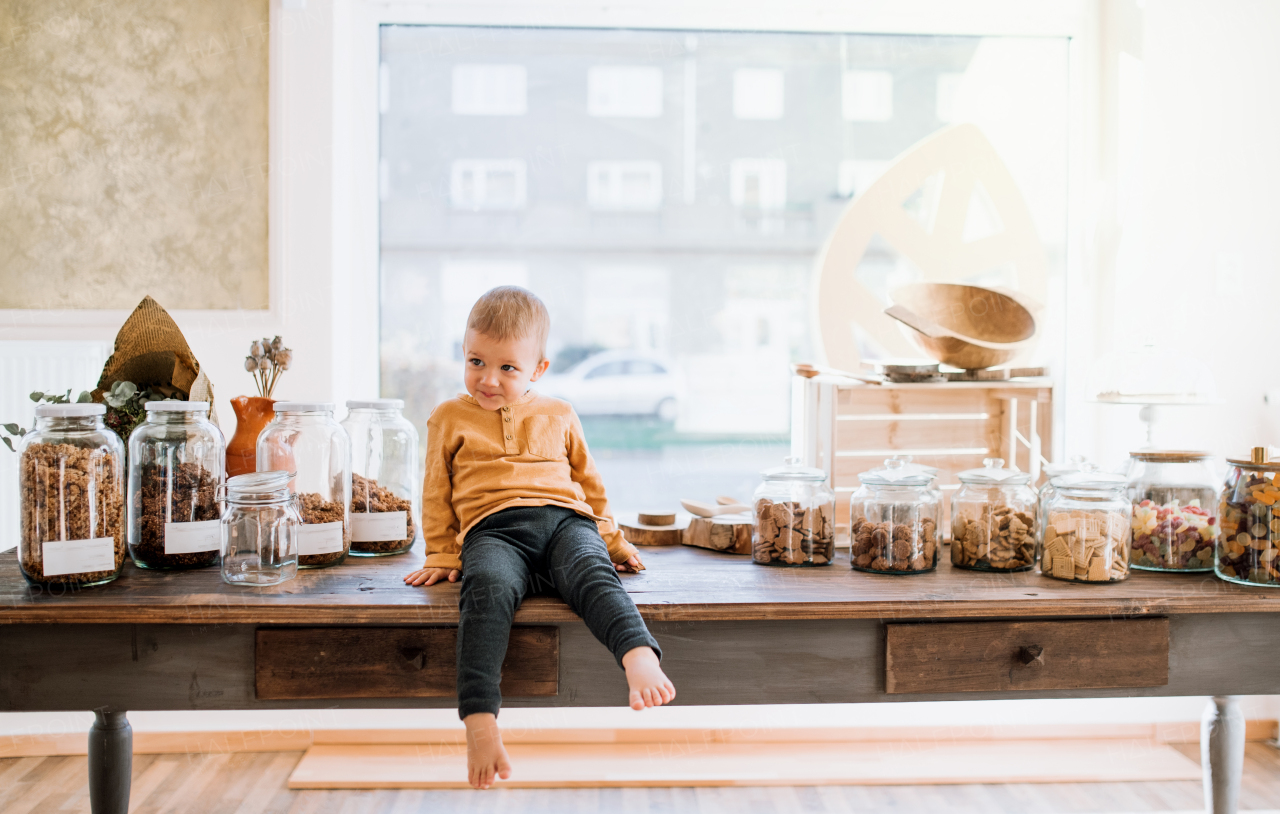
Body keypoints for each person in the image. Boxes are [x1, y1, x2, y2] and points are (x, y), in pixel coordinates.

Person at [404, 285, 676, 789]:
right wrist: (442, 551)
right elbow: (435, 491)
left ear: (538, 369)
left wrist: (612, 541)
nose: (488, 378)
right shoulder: (449, 417)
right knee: (484, 593)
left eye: (507, 367)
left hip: (564, 523)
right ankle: (480, 719)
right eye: (476, 361)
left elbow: (591, 486)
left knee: (593, 575)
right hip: (493, 532)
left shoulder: (560, 413)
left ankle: (638, 655)